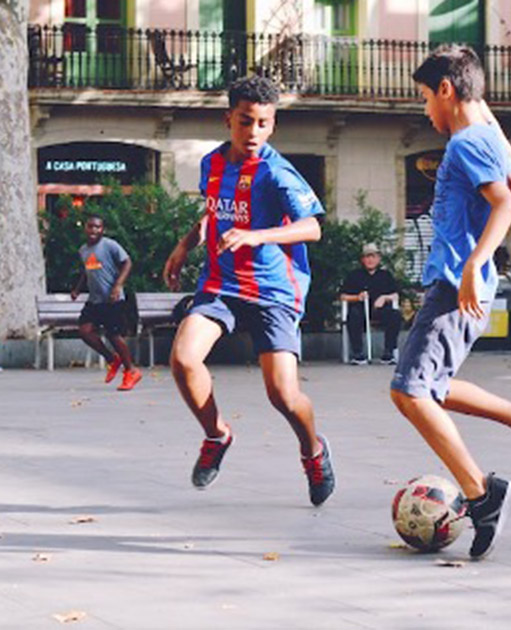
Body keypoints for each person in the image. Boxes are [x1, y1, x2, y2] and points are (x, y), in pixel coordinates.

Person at [390, 45, 511, 559]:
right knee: (432, 388)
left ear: (446, 90)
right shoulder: (483, 134)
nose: (425, 110)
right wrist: (481, 105)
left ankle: (482, 494)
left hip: (454, 282)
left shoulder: (467, 142)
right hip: (458, 283)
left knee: (410, 392)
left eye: (426, 97)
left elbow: (507, 202)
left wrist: (472, 264)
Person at [162, 75, 334, 506]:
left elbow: (312, 228)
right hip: (220, 285)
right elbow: (213, 213)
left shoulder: (277, 174)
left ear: (272, 125)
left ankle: (313, 451)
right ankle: (216, 434)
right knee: (183, 359)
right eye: (245, 122)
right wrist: (185, 246)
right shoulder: (212, 164)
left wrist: (257, 236)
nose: (254, 132)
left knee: (283, 395)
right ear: (229, 120)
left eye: (263, 123)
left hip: (274, 292)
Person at [70, 214, 142, 391]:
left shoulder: (110, 245)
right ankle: (112, 360)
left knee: (114, 335)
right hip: (95, 300)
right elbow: (87, 270)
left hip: (113, 299)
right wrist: (78, 288)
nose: (94, 230)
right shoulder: (84, 250)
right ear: (85, 228)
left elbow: (127, 263)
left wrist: (118, 286)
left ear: (103, 230)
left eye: (98, 227)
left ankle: (131, 371)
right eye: (91, 226)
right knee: (85, 331)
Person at [340, 243, 402, 365]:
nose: (370, 260)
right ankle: (357, 353)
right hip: (361, 310)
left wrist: (384, 298)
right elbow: (343, 296)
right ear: (362, 259)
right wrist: (357, 297)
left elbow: (396, 295)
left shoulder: (385, 275)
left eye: (373, 256)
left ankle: (389, 352)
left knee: (394, 315)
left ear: (378, 259)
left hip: (380, 310)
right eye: (367, 257)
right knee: (354, 315)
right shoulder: (354, 275)